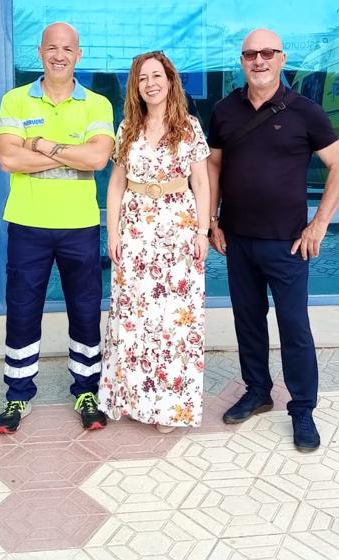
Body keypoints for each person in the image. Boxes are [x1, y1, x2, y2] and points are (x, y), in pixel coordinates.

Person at [207, 28, 339, 452]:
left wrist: (318, 225)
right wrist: (212, 220)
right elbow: (213, 166)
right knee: (247, 321)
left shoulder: (306, 112)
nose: (259, 60)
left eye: (267, 53)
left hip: (288, 244)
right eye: (251, 54)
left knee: (294, 327)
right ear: (241, 61)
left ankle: (302, 409)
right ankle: (258, 391)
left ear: (282, 59)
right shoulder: (224, 110)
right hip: (237, 239)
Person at [0, 22, 115, 434]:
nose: (59, 55)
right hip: (28, 223)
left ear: (79, 55)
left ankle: (86, 391)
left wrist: (40, 144)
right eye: (51, 48)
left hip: (79, 225)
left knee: (85, 310)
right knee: (23, 310)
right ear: (40, 52)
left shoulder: (97, 104)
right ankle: (18, 394)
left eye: (67, 49)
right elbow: (8, 159)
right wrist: (71, 154)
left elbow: (97, 159)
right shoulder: (15, 100)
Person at [98, 51, 210, 432]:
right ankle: (132, 399)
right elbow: (116, 185)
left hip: (179, 232)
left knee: (174, 322)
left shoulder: (189, 127)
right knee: (133, 318)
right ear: (136, 86)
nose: (151, 83)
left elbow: (201, 183)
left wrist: (202, 232)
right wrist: (113, 232)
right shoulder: (127, 127)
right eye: (143, 78)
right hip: (135, 232)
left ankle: (169, 408)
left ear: (170, 80)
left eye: (157, 75)